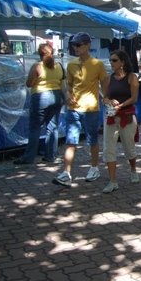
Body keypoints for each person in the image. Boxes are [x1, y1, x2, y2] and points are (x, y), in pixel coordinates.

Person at [52, 32, 107, 187]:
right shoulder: (71, 65)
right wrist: (68, 95)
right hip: (73, 109)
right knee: (71, 141)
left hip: (91, 109)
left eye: (78, 44)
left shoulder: (98, 65)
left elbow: (104, 83)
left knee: (92, 140)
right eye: (74, 45)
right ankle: (66, 173)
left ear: (88, 45)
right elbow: (68, 86)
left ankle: (94, 168)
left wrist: (107, 99)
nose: (75, 47)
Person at [14, 43, 65, 165]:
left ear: (39, 54)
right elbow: (63, 85)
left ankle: (29, 157)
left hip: (41, 97)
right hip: (57, 96)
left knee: (35, 128)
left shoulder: (37, 66)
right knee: (53, 128)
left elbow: (29, 83)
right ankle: (51, 155)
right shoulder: (60, 66)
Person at [101, 50, 140, 193]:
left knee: (129, 147)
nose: (111, 62)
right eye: (110, 60)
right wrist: (109, 101)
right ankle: (112, 181)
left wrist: (121, 105)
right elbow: (104, 97)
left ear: (122, 62)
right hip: (111, 117)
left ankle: (133, 169)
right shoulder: (108, 78)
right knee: (108, 149)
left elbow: (134, 98)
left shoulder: (132, 77)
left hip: (127, 116)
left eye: (114, 60)